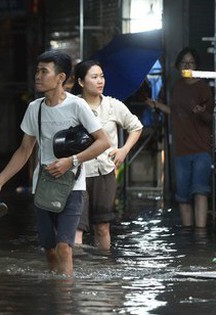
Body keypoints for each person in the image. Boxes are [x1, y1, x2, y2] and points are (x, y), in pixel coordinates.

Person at [0, 50, 109, 276]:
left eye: (44, 71)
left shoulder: (77, 106)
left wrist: (71, 161)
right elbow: (24, 150)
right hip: (43, 186)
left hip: (73, 186)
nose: (37, 76)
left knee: (64, 247)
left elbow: (103, 141)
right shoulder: (34, 108)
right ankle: (55, 288)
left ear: (61, 78)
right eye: (37, 71)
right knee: (49, 248)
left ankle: (65, 302)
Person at [72, 60, 143, 250]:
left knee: (102, 227)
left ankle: (103, 267)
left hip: (105, 172)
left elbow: (136, 127)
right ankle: (75, 273)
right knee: (75, 227)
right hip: (77, 173)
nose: (100, 81)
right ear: (81, 82)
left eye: (101, 76)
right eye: (94, 77)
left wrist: (124, 150)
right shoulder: (73, 106)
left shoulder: (113, 105)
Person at [146, 47, 213, 228]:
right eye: (184, 63)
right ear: (178, 66)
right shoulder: (177, 87)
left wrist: (201, 112)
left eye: (191, 63)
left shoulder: (203, 87)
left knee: (200, 193)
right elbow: (175, 113)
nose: (187, 65)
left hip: (201, 149)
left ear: (196, 65)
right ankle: (188, 236)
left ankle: (200, 236)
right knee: (183, 197)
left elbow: (209, 118)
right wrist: (158, 105)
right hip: (181, 150)